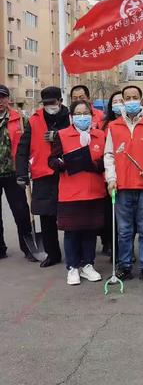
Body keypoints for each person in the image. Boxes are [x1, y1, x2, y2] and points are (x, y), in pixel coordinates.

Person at [104, 85, 143, 285]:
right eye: (127, 97)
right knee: (124, 230)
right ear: (122, 100)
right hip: (121, 187)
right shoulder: (114, 126)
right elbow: (109, 155)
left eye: (135, 97)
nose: (131, 100)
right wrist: (111, 178)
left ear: (141, 100)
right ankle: (124, 266)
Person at [48, 100, 106, 285]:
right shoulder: (62, 135)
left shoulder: (100, 135)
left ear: (91, 115)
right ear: (72, 117)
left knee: (90, 231)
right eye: (78, 113)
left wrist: (94, 165)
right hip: (70, 192)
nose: (82, 117)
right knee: (72, 232)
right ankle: (72, 267)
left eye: (86, 113)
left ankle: (88, 265)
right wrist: (62, 163)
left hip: (94, 191)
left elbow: (106, 160)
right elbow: (52, 160)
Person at [16, 86, 70, 268]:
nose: (49, 106)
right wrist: (21, 173)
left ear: (60, 102)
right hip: (42, 173)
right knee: (46, 217)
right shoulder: (34, 120)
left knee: (71, 215)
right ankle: (52, 254)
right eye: (46, 104)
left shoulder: (70, 118)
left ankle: (76, 253)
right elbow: (23, 148)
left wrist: (58, 136)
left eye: (52, 103)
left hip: (67, 173)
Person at [0, 85, 35, 261]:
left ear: (8, 99)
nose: (0, 101)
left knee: (21, 211)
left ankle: (28, 247)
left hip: (14, 172)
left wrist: (28, 165)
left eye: (2, 97)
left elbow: (30, 143)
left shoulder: (19, 119)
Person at [99, 91, 123, 257]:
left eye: (122, 100)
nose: (119, 103)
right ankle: (113, 247)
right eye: (115, 101)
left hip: (128, 175)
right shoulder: (105, 126)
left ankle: (127, 250)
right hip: (109, 175)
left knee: (128, 219)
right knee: (111, 215)